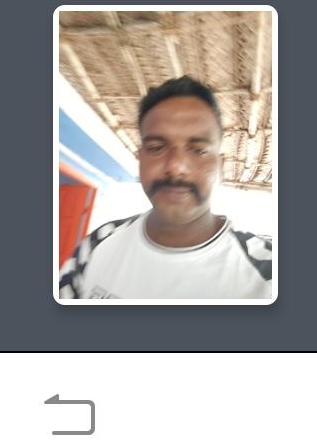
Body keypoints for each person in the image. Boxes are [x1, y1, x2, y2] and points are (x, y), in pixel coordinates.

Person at [58, 76, 274, 300]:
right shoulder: (98, 244)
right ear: (140, 159)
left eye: (198, 150)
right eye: (157, 148)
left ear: (220, 165)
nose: (176, 166)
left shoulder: (268, 274)